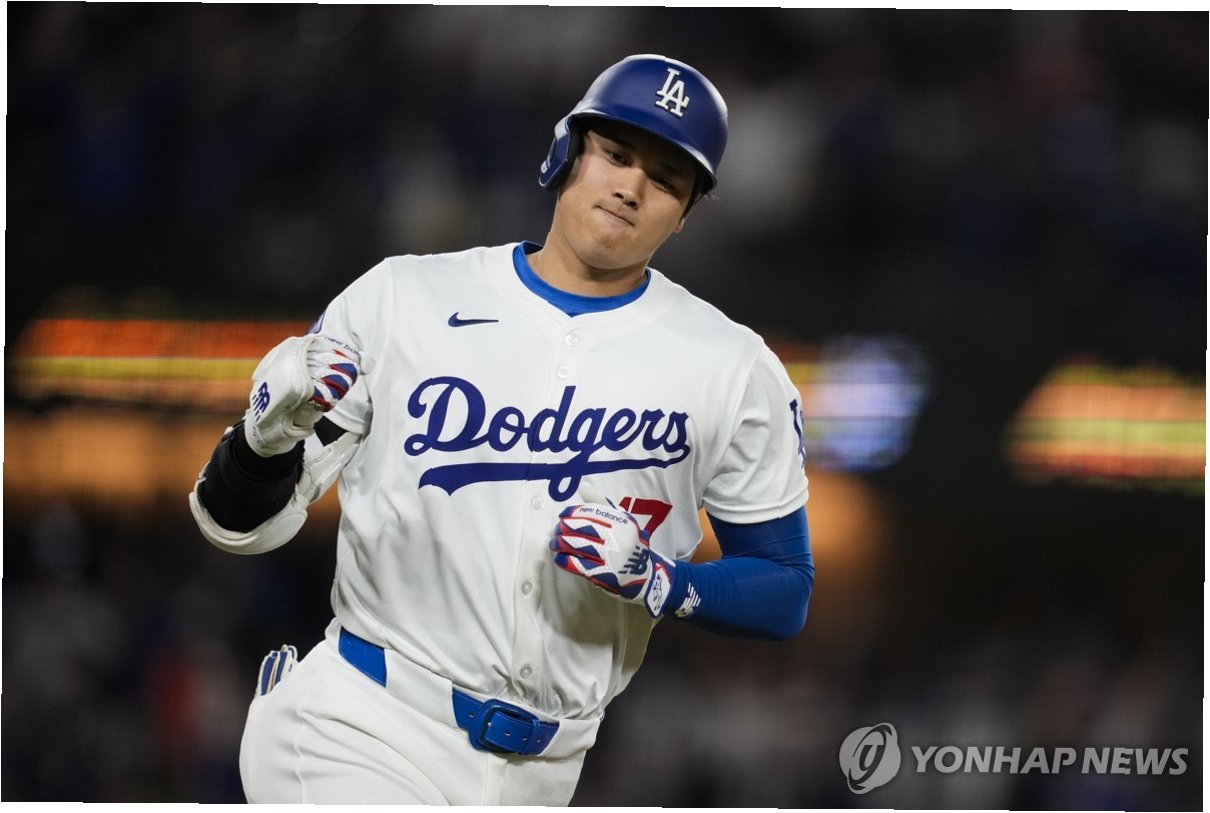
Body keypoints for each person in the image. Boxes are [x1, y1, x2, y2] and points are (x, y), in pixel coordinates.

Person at [188, 53, 814, 805]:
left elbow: (785, 589)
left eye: (666, 178)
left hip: (547, 769)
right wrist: (262, 442)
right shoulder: (404, 299)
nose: (631, 187)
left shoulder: (732, 366)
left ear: (685, 211)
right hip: (363, 723)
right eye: (616, 154)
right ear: (567, 152)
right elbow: (236, 525)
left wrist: (663, 581)